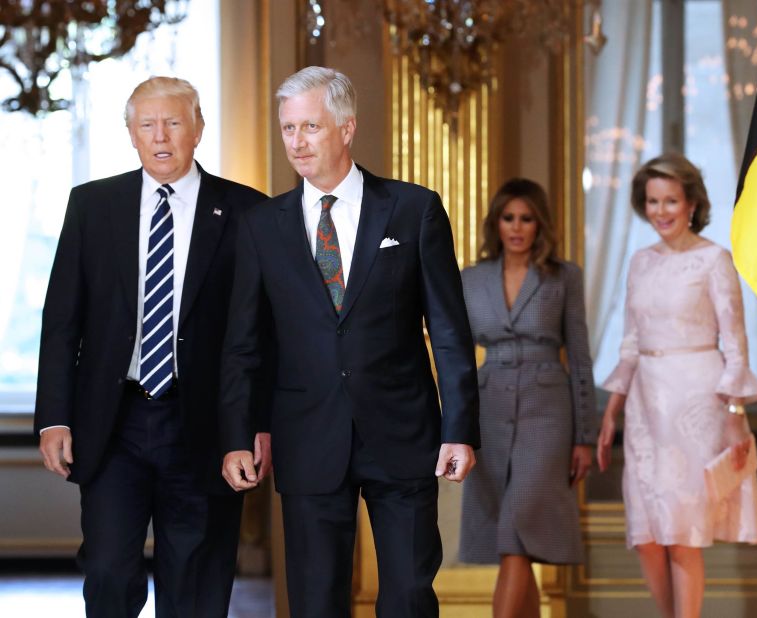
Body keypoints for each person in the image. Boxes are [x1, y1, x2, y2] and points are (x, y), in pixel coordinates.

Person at [219, 66, 481, 618]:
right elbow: (246, 343)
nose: (296, 141)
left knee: (409, 596)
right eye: (288, 129)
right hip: (307, 436)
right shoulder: (263, 225)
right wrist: (239, 432)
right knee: (315, 603)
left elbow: (450, 331)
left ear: (346, 128)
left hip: (403, 434)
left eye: (309, 126)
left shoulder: (414, 209)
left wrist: (460, 429)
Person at [35, 76, 271, 617]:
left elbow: (262, 333)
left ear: (198, 129)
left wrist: (257, 423)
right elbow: (61, 320)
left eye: (173, 122)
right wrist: (54, 417)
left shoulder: (247, 212)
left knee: (193, 583)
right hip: (113, 423)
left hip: (205, 425)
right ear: (131, 134)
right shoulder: (92, 205)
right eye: (147, 124)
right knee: (109, 573)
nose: (161, 136)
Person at [596, 152, 757, 618]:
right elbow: (630, 343)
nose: (661, 211)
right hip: (645, 405)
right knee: (647, 535)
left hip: (697, 400)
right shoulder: (639, 262)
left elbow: (735, 344)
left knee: (681, 534)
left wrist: (734, 416)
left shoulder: (714, 259)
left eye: (671, 200)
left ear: (692, 203)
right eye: (652, 201)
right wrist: (612, 410)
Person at [458, 179, 598, 618]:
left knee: (519, 522)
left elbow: (579, 355)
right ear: (495, 223)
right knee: (511, 533)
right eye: (508, 218)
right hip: (490, 409)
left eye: (527, 218)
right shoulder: (470, 278)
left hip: (548, 413)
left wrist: (585, 437)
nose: (517, 228)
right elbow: (456, 355)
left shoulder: (563, 276)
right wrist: (455, 428)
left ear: (540, 224)